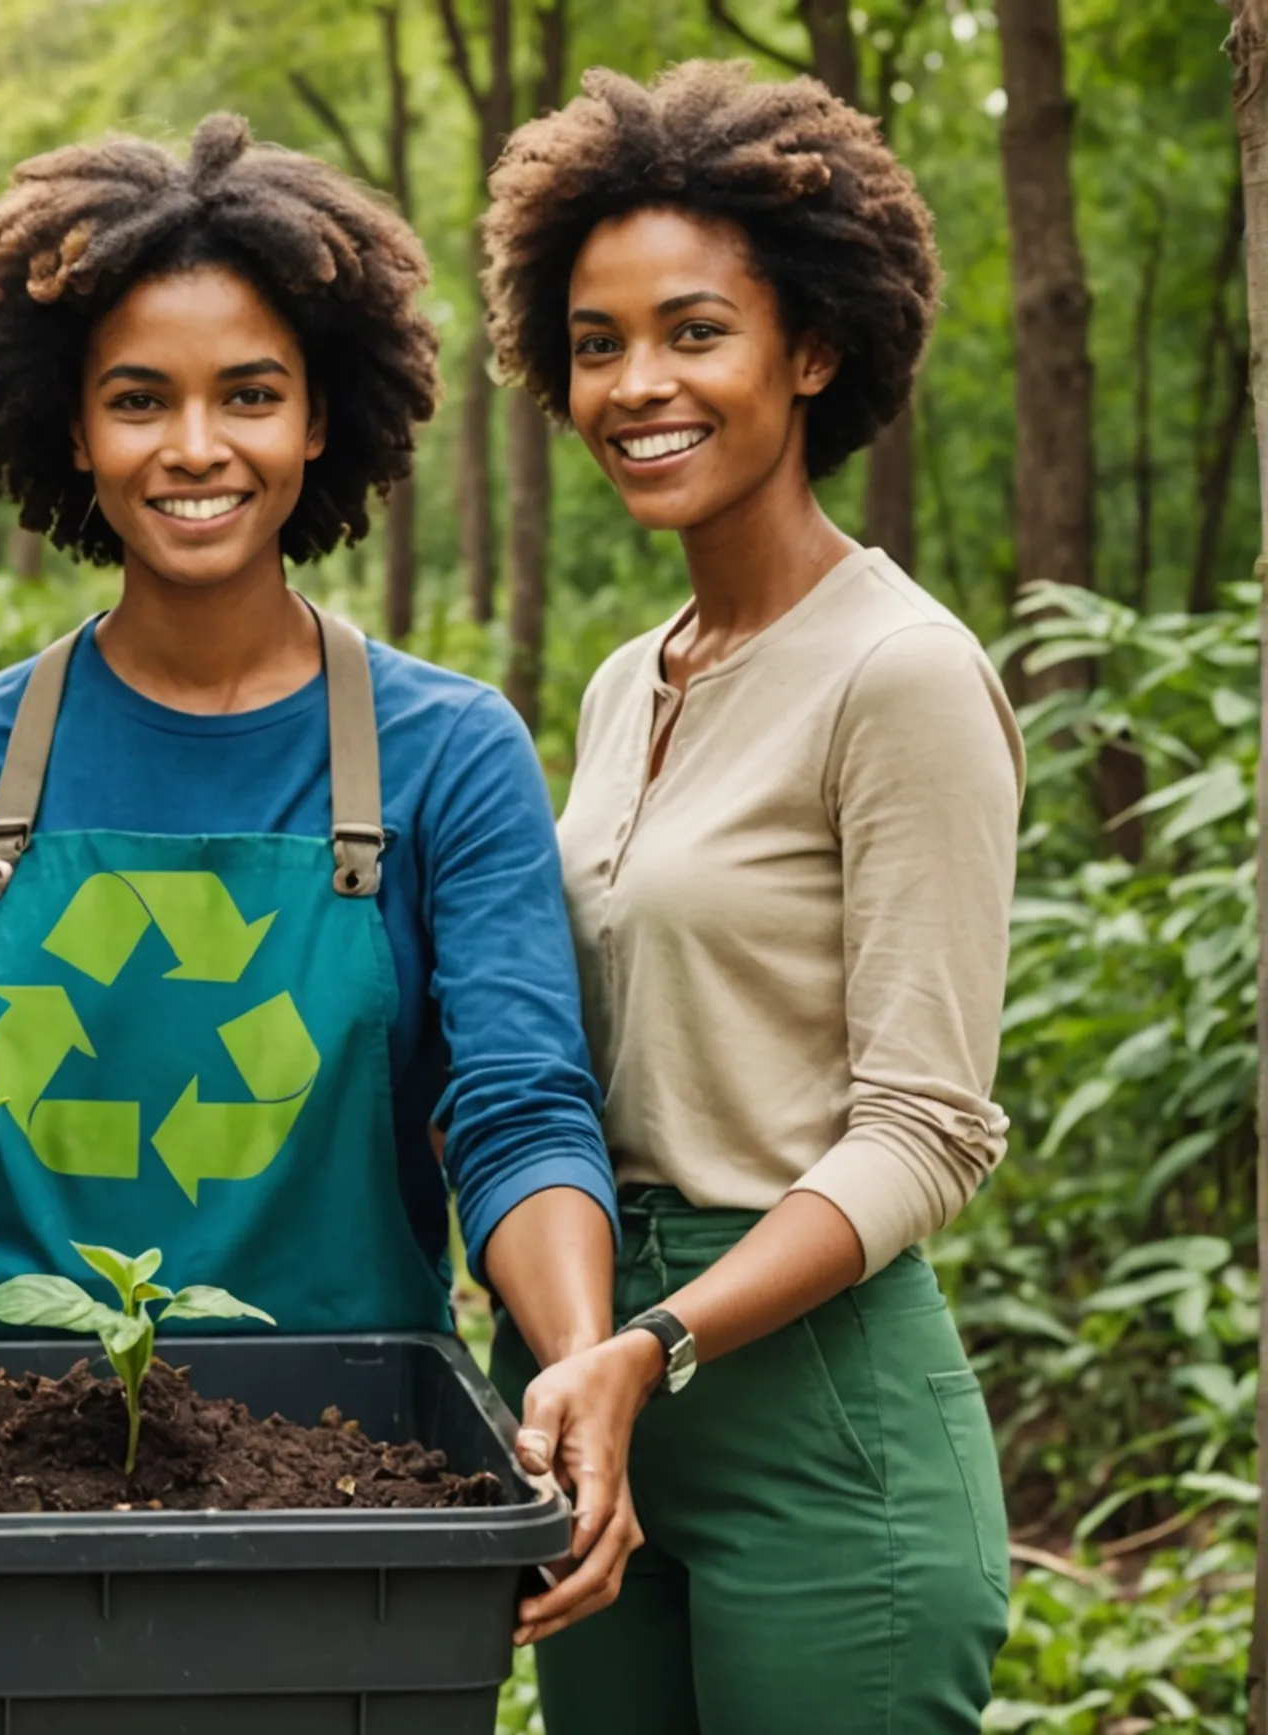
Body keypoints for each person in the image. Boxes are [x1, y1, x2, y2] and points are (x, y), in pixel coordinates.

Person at [0, 116, 631, 1640]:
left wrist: (576, 1345)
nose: (197, 447)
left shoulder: (449, 750)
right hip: (6, 1479)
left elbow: (515, 1113)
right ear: (70, 429)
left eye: (249, 394)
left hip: (350, 1479)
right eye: (141, 400)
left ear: (321, 419)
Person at [482, 63, 1020, 1732]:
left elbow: (925, 1129)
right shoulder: (623, 681)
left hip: (811, 1413)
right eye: (596, 343)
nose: (639, 383)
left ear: (812, 348)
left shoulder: (902, 672)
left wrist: (658, 1344)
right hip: (588, 1386)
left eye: (694, 331)